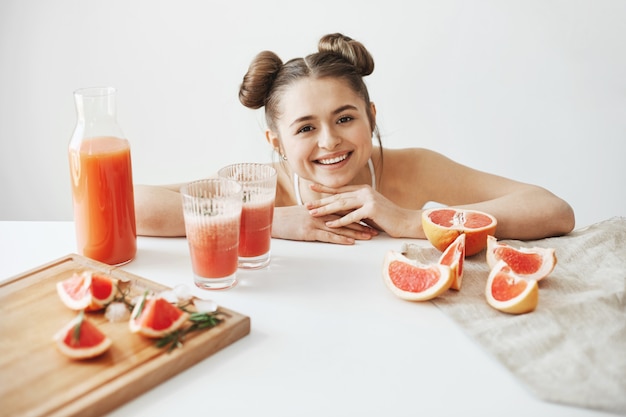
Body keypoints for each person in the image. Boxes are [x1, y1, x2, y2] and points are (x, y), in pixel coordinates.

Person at [134, 33, 575, 245]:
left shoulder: (415, 168)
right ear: (276, 143)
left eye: (344, 118)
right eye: (305, 128)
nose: (329, 141)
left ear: (370, 115)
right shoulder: (255, 187)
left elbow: (553, 211)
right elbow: (130, 203)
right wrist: (267, 220)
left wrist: (408, 221)